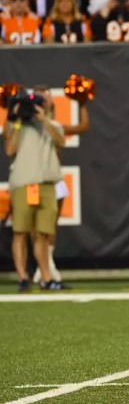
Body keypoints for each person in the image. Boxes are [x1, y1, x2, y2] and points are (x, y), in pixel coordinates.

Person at [4, 87, 65, 291]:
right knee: (20, 231)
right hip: (24, 183)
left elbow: (61, 141)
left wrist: (44, 120)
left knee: (43, 234)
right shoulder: (19, 127)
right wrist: (18, 120)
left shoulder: (53, 126)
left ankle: (46, 278)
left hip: (47, 184)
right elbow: (10, 149)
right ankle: (22, 277)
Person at [30, 85, 90, 286]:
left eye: (46, 97)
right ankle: (43, 267)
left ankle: (47, 266)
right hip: (33, 180)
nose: (44, 100)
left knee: (50, 226)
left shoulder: (55, 126)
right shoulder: (27, 127)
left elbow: (83, 127)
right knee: (33, 226)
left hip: (53, 180)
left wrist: (82, 103)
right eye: (40, 97)